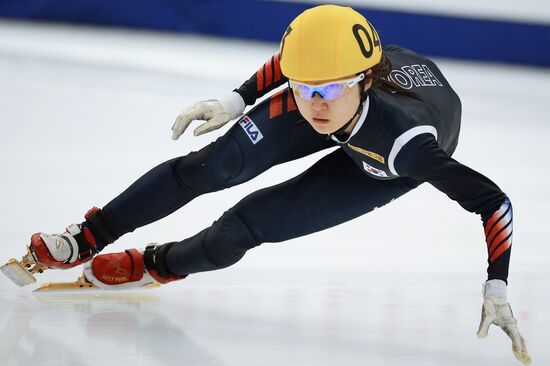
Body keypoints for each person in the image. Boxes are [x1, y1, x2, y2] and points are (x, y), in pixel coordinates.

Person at [11, 4, 530, 364]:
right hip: (367, 99)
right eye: (304, 90)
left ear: (364, 79)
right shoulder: (324, 85)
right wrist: (235, 101)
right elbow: (293, 65)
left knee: (245, 227)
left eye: (327, 90)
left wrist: (497, 285)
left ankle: (156, 264)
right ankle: (87, 236)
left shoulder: (408, 146)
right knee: (211, 166)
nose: (314, 104)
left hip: (379, 163)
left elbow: (493, 201)